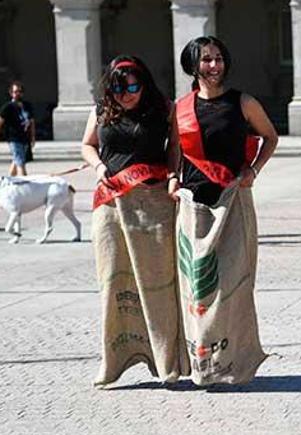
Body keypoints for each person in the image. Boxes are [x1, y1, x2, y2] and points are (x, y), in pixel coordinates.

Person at [170, 36, 278, 385]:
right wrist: (173, 177)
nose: (214, 66)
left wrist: (254, 169)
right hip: (194, 206)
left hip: (232, 200)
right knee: (199, 288)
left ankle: (238, 360)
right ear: (192, 65)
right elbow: (175, 150)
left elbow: (269, 137)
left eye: (218, 58)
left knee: (234, 282)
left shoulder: (243, 103)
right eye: (205, 60)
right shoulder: (181, 108)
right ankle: (205, 361)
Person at [81, 55, 188, 387]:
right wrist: (99, 169)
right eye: (117, 86)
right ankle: (114, 360)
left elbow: (175, 149)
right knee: (114, 282)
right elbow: (87, 145)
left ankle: (166, 361)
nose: (125, 93)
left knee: (158, 285)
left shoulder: (164, 108)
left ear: (144, 83)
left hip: (153, 202)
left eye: (132, 85)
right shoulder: (101, 109)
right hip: (111, 204)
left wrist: (173, 176)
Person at [0, 81, 35, 176]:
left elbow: (31, 122)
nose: (18, 93)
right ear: (11, 93)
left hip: (25, 138)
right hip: (14, 138)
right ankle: (25, 184)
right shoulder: (7, 107)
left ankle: (9, 181)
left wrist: (33, 137)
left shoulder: (27, 106)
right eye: (15, 91)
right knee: (20, 163)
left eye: (20, 91)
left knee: (16, 161)